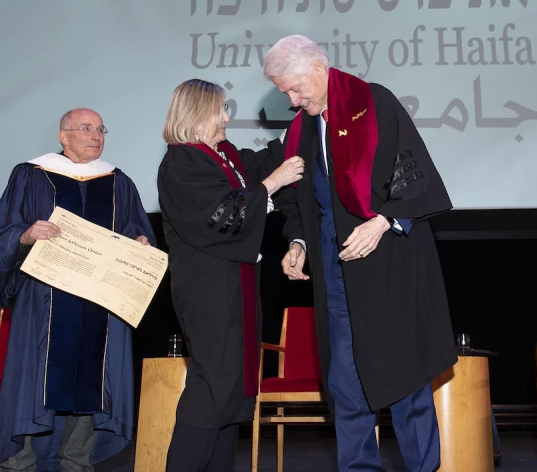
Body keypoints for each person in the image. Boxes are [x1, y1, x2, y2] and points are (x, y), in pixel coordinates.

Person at [264, 34, 457, 472]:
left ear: (318, 69)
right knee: (345, 382)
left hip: (389, 264)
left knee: (405, 374)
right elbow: (299, 201)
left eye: (296, 89)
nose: (292, 102)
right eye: (285, 93)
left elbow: (415, 173)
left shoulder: (374, 103)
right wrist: (298, 242)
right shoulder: (301, 129)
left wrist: (383, 221)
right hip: (336, 269)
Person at [0, 108, 155, 471]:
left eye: (101, 129)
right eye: (86, 128)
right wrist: (26, 235)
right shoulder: (31, 174)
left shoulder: (118, 182)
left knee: (94, 379)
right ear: (63, 136)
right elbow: (2, 232)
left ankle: (77, 463)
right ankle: (21, 464)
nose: (96, 136)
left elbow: (136, 229)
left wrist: (140, 243)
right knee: (34, 381)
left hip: (100, 302)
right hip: (44, 299)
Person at [156, 79, 304, 470]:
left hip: (235, 290)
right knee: (213, 388)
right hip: (207, 292)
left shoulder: (225, 157)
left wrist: (308, 116)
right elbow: (218, 216)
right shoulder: (182, 161)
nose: (226, 118)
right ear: (197, 113)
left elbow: (268, 158)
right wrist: (273, 183)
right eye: (220, 110)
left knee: (233, 393)